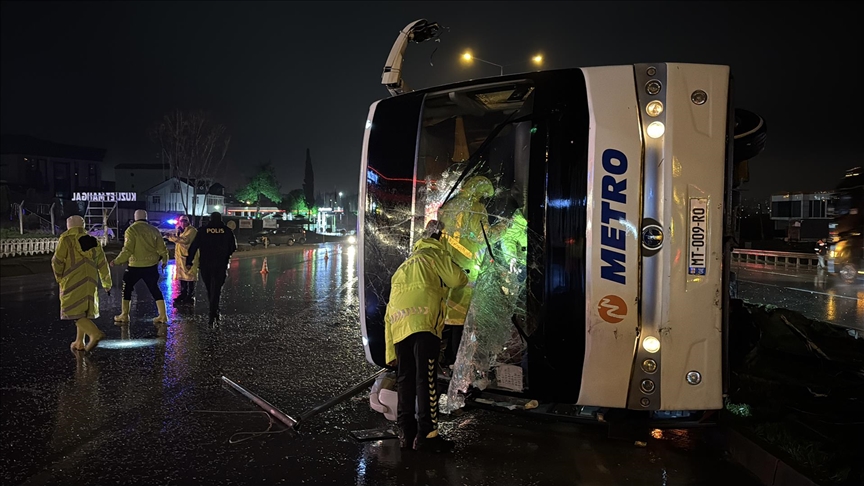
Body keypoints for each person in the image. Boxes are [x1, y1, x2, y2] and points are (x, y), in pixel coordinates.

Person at [384, 220, 468, 452]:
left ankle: (406, 433)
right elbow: (458, 280)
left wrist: (391, 351)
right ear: (439, 238)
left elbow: (389, 312)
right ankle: (427, 437)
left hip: (400, 328)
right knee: (426, 379)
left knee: (405, 379)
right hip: (424, 324)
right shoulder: (434, 254)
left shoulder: (405, 265)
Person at [437, 175, 505, 369]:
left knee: (443, 313)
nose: (484, 200)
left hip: (445, 266)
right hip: (466, 270)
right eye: (484, 196)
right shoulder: (477, 209)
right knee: (460, 319)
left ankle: (437, 356)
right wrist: (504, 228)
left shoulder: (448, 205)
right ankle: (454, 360)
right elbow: (484, 237)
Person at [51, 215, 112, 352]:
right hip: (90, 280)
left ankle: (94, 333)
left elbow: (57, 261)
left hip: (72, 279)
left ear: (69, 225)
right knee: (83, 310)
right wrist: (106, 283)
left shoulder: (66, 239)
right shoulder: (93, 241)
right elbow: (102, 264)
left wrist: (59, 276)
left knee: (73, 311)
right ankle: (80, 342)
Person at [111, 209, 170, 324]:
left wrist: (117, 261)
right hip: (151, 265)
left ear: (135, 218)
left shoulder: (131, 230)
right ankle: (163, 315)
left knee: (127, 288)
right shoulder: (154, 230)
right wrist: (164, 260)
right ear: (146, 217)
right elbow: (162, 248)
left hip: (135, 266)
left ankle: (125, 315)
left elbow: (128, 250)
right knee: (154, 289)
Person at [187, 212, 237, 325]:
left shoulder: (203, 230)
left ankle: (212, 308)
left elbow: (194, 246)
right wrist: (225, 255)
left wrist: (189, 261)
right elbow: (233, 247)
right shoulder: (227, 231)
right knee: (217, 288)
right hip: (221, 264)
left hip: (205, 264)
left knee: (209, 287)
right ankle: (214, 309)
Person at [167, 215, 199, 306]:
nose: (182, 223)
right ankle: (183, 294)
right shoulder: (181, 231)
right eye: (181, 221)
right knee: (182, 277)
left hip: (189, 257)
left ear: (188, 222)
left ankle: (190, 295)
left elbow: (185, 241)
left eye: (184, 221)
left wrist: (171, 237)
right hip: (181, 257)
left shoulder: (192, 231)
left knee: (190, 277)